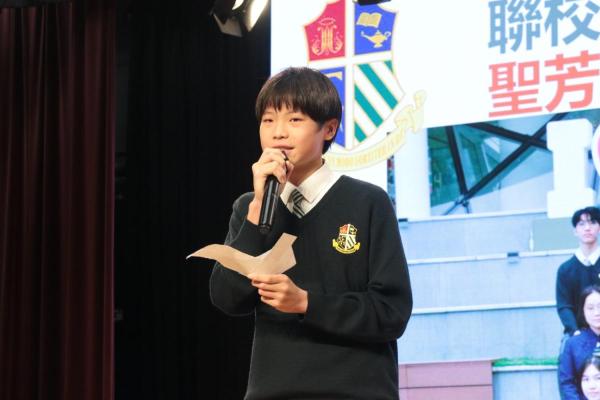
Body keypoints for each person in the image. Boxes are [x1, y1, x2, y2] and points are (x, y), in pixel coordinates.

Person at [209, 66, 413, 400]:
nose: (278, 133)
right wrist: (258, 210)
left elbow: (391, 312)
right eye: (268, 120)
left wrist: (305, 303)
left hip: (356, 392)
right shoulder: (251, 206)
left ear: (329, 129)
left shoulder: (367, 202)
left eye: (294, 120)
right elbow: (227, 298)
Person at [557, 207, 600, 348]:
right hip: (577, 332)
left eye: (592, 222)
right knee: (568, 351)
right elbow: (564, 306)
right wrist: (575, 332)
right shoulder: (565, 270)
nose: (587, 228)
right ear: (575, 231)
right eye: (581, 224)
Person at [559, 285, 600, 399]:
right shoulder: (573, 344)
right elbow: (567, 382)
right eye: (590, 308)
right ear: (583, 312)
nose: (596, 313)